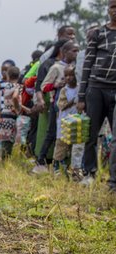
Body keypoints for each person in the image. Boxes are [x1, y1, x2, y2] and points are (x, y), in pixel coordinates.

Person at [78, 0, 116, 191]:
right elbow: (87, 64)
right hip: (96, 88)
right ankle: (89, 173)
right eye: (113, 6)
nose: (115, 10)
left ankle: (113, 181)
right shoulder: (98, 33)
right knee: (91, 134)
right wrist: (81, 96)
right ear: (108, 9)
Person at [32, 40, 79, 174]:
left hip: (74, 107)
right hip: (58, 105)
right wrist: (56, 85)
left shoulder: (77, 67)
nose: (77, 53)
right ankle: (41, 159)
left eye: (78, 51)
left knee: (72, 135)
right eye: (74, 51)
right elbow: (43, 86)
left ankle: (68, 165)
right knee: (53, 133)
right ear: (64, 52)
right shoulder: (56, 67)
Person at [53, 66, 81, 177]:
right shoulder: (64, 90)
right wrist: (74, 101)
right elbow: (61, 106)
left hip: (76, 122)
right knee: (61, 145)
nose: (69, 78)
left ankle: (72, 169)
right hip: (64, 122)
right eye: (66, 76)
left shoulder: (79, 88)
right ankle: (58, 168)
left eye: (71, 75)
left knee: (74, 146)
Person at [0, 66, 21, 160]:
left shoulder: (7, 86)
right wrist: (18, 109)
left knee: (4, 140)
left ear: (8, 76)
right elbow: (15, 98)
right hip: (11, 116)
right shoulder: (17, 86)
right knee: (9, 141)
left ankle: (2, 160)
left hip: (4, 114)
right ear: (18, 76)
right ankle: (4, 162)